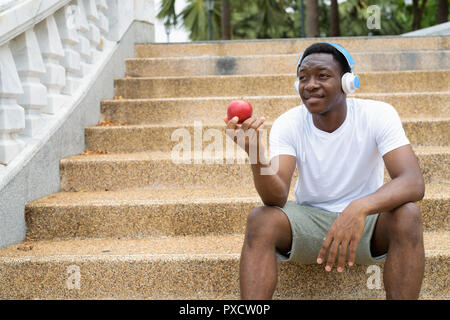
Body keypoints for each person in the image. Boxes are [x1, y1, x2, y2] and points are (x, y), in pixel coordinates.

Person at [224, 42, 426, 300]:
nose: (310, 85)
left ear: (347, 83)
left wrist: (359, 208)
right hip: (311, 223)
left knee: (408, 214)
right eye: (303, 78)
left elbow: (412, 181)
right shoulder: (289, 123)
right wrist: (255, 153)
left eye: (322, 75)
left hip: (366, 225)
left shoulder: (378, 114)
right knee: (261, 219)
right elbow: (275, 199)